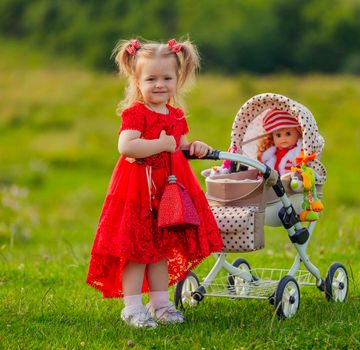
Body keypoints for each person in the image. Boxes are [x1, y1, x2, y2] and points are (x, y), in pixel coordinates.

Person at [86, 38, 224, 328]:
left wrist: (193, 147)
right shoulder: (136, 113)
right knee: (137, 250)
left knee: (161, 248)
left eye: (166, 78)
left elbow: (179, 146)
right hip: (138, 188)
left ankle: (161, 304)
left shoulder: (175, 114)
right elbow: (127, 146)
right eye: (151, 78)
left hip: (168, 190)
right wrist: (160, 143)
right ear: (136, 81)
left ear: (179, 79)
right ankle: (133, 307)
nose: (159, 84)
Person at [257, 108, 303, 175]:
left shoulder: (297, 150)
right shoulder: (273, 151)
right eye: (278, 135)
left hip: (289, 180)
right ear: (272, 136)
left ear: (298, 133)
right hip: (274, 180)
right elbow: (263, 159)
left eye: (288, 134)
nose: (283, 139)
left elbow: (299, 163)